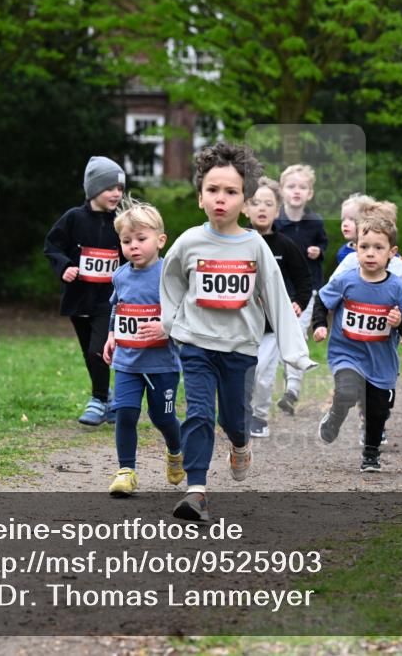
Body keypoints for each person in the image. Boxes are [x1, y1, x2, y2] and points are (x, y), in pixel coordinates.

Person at [160, 143, 316, 521]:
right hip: (196, 343)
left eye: (231, 192)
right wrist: (172, 323)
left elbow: (277, 297)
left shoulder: (254, 246)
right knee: (198, 413)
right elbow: (171, 282)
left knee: (233, 418)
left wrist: (295, 351)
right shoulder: (188, 242)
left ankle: (241, 443)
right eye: (213, 190)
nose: (221, 199)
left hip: (240, 348)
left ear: (245, 201)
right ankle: (196, 491)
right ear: (200, 197)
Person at [312, 217, 402, 471]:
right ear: (356, 248)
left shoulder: (397, 287)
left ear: (392, 253)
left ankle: (371, 454)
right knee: (347, 391)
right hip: (346, 352)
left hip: (381, 360)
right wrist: (320, 324)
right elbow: (322, 302)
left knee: (378, 410)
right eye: (364, 247)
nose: (370, 253)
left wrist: (400, 322)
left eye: (378, 248)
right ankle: (335, 417)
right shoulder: (346, 280)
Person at [101, 201, 184, 496]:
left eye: (140, 239)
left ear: (161, 241)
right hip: (127, 361)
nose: (133, 246)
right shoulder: (120, 275)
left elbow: (184, 311)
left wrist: (166, 326)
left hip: (162, 363)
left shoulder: (169, 275)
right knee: (125, 413)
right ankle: (126, 471)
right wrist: (112, 335)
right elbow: (116, 308)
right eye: (126, 241)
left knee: (162, 417)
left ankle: (176, 450)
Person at [44, 156, 126, 426]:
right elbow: (52, 246)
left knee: (97, 349)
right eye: (110, 188)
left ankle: (98, 399)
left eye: (120, 188)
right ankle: (111, 399)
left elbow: (132, 253)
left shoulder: (123, 221)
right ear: (93, 189)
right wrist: (65, 267)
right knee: (89, 352)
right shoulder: (73, 218)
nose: (116, 193)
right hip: (78, 298)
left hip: (108, 299)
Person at [240, 177, 312, 439]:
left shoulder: (284, 245)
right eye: (255, 202)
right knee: (239, 373)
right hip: (239, 322)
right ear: (245, 208)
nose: (261, 208)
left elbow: (304, 279)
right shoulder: (237, 241)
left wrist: (299, 303)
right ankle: (238, 413)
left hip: (271, 326)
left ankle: (258, 415)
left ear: (277, 209)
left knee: (262, 373)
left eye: (268, 203)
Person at [273, 164, 327, 416]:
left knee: (296, 337)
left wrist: (318, 251)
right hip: (277, 289)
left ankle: (291, 390)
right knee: (272, 341)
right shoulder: (274, 223)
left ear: (310, 193)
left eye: (302, 187)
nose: (296, 191)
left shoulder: (314, 222)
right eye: (291, 186)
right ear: (282, 191)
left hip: (306, 292)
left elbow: (322, 244)